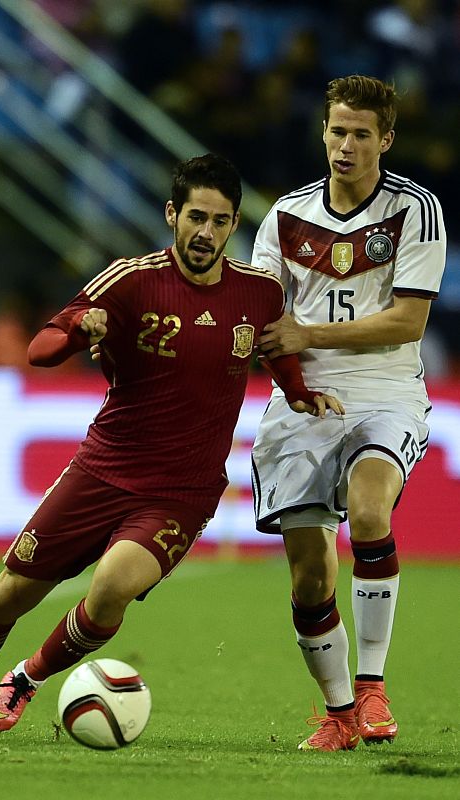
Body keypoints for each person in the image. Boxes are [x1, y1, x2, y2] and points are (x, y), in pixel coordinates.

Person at [0, 153, 343, 741]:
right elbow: (40, 349)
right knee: (6, 597)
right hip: (102, 472)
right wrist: (77, 332)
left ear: (234, 225)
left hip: (181, 492)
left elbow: (275, 349)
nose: (205, 232)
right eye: (196, 217)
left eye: (219, 221)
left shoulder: (258, 292)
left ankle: (27, 678)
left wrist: (301, 393)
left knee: (111, 588)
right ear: (172, 214)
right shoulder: (130, 280)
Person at [251, 75, 447, 751]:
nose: (346, 145)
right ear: (323, 132)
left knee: (368, 512)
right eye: (338, 130)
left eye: (362, 134)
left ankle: (372, 686)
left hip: (385, 390)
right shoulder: (285, 216)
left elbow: (408, 322)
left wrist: (309, 334)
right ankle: (339, 713)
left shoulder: (415, 208)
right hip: (302, 398)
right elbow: (266, 319)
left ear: (385, 140)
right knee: (309, 576)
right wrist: (293, 380)